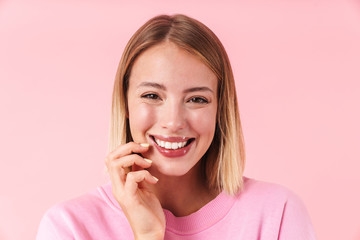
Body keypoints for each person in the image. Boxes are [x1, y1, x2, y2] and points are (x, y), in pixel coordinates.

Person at [36, 14, 316, 240]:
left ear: (221, 109)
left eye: (196, 99)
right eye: (152, 96)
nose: (173, 122)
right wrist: (147, 235)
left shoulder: (278, 213)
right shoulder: (68, 228)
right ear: (125, 104)